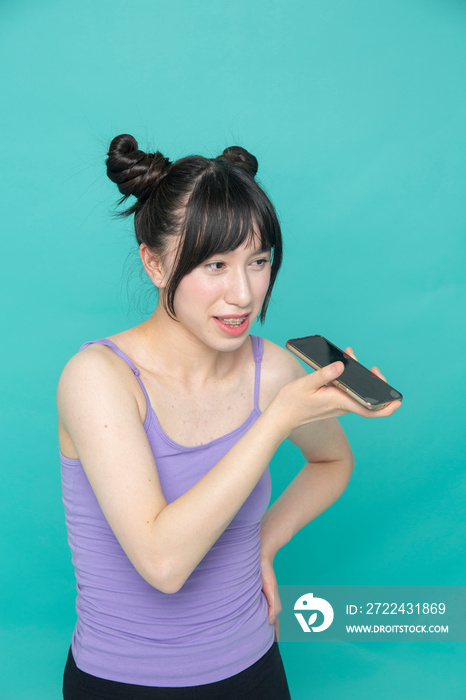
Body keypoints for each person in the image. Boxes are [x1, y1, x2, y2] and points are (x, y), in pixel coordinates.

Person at [57, 134, 401, 699]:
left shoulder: (271, 373)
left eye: (258, 261)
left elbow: (332, 460)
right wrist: (277, 419)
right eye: (215, 264)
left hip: (254, 668)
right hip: (120, 682)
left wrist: (264, 541)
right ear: (155, 263)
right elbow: (163, 563)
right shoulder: (97, 378)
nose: (242, 294)